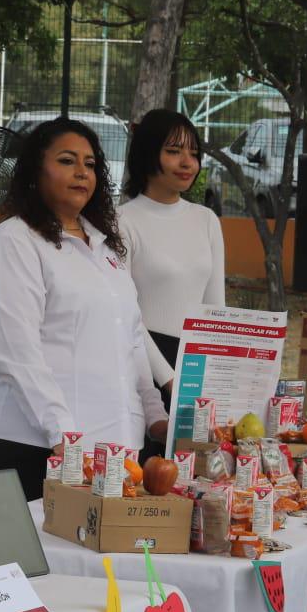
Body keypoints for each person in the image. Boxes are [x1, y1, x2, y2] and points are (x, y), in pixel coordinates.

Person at [0, 117, 168, 501]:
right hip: (31, 443)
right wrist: (62, 435)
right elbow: (15, 352)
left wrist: (155, 416)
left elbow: (133, 339)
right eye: (66, 161)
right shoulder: (14, 242)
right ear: (35, 171)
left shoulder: (106, 249)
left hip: (112, 449)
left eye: (90, 165)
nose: (81, 173)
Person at [118, 108, 226, 401]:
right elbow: (125, 313)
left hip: (196, 365)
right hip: (141, 366)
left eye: (193, 152)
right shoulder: (121, 221)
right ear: (147, 154)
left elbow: (216, 311)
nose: (187, 163)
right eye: (174, 151)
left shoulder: (206, 220)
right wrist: (168, 380)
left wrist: (216, 372)